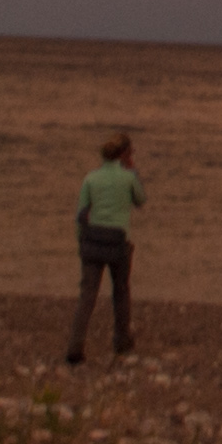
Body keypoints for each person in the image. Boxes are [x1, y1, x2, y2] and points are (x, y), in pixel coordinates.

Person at [66, 130, 143, 365]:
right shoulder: (128, 178)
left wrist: (80, 242)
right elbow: (140, 200)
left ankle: (75, 345)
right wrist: (133, 172)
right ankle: (121, 341)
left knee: (87, 295)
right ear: (124, 155)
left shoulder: (91, 179)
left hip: (93, 240)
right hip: (117, 241)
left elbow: (81, 214)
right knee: (121, 292)